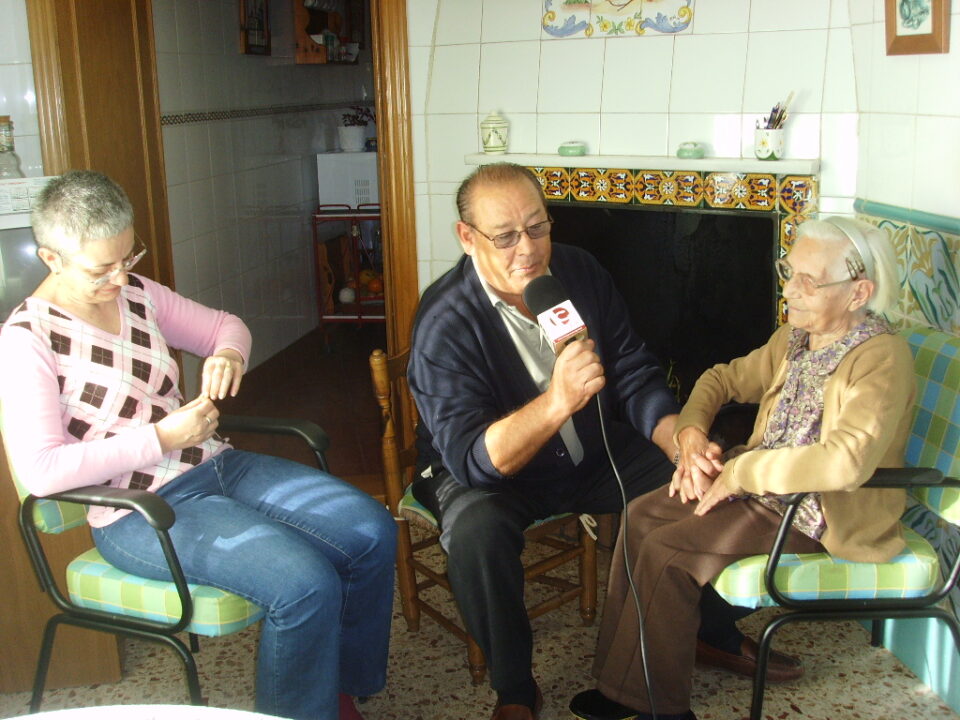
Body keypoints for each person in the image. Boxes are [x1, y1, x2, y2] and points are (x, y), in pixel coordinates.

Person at [407, 163, 797, 720]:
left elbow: (634, 370)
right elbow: (474, 461)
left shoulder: (578, 272)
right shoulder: (443, 320)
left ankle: (709, 630)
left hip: (590, 452)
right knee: (475, 534)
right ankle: (515, 688)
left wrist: (677, 440)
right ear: (467, 238)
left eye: (538, 227)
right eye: (506, 236)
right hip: (493, 476)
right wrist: (558, 400)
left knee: (703, 482)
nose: (529, 249)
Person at [0, 170, 396, 720]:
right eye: (101, 269)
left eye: (126, 257)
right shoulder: (27, 342)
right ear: (51, 257)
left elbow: (226, 326)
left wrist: (228, 355)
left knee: (371, 529)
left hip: (213, 466)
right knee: (304, 584)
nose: (120, 277)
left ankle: (339, 687)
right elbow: (42, 472)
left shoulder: (138, 294)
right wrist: (161, 437)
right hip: (138, 514)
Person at [571, 217, 915, 720]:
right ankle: (625, 684)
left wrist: (740, 474)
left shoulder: (881, 357)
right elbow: (719, 379)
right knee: (641, 516)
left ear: (859, 291)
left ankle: (658, 706)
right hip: (761, 488)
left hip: (815, 511)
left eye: (809, 281)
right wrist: (690, 436)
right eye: (788, 272)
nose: (789, 290)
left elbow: (845, 463)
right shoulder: (796, 338)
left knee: (668, 552)